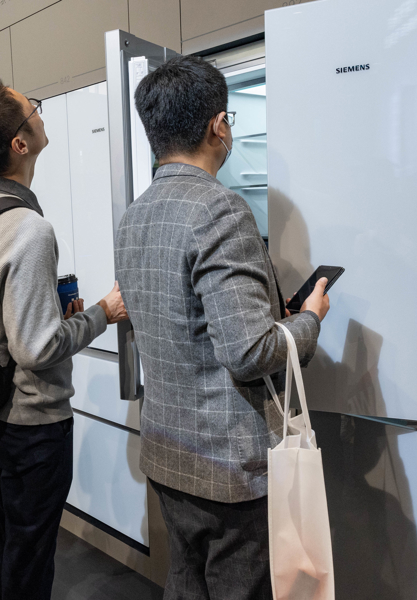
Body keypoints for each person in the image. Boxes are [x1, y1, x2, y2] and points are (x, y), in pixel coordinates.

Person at [114, 55, 332, 600]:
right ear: (218, 126)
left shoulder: (134, 214)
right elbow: (249, 352)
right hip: (228, 468)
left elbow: (183, 320)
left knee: (187, 582)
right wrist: (309, 320)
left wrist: (266, 314)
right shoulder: (220, 209)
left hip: (168, 451)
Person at [0, 75, 128, 600]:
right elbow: (37, 348)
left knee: (10, 541)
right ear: (20, 144)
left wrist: (50, 314)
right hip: (32, 425)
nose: (42, 114)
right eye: (35, 110)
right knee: (31, 556)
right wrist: (102, 313)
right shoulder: (29, 228)